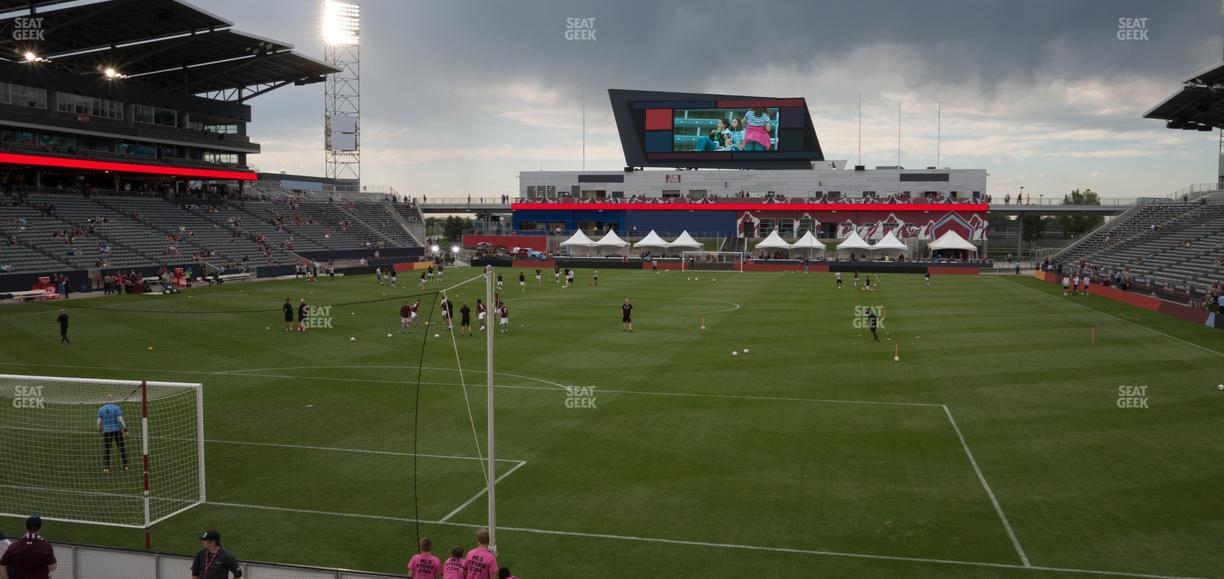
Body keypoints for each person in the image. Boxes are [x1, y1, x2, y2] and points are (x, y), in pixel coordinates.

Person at [97, 395, 129, 472]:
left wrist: (99, 430)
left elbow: (98, 422)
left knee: (107, 449)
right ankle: (125, 466)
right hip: (117, 431)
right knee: (122, 448)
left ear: (105, 400)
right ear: (113, 400)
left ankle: (106, 468)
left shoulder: (101, 409)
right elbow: (120, 419)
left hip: (107, 432)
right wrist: (125, 429)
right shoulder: (116, 408)